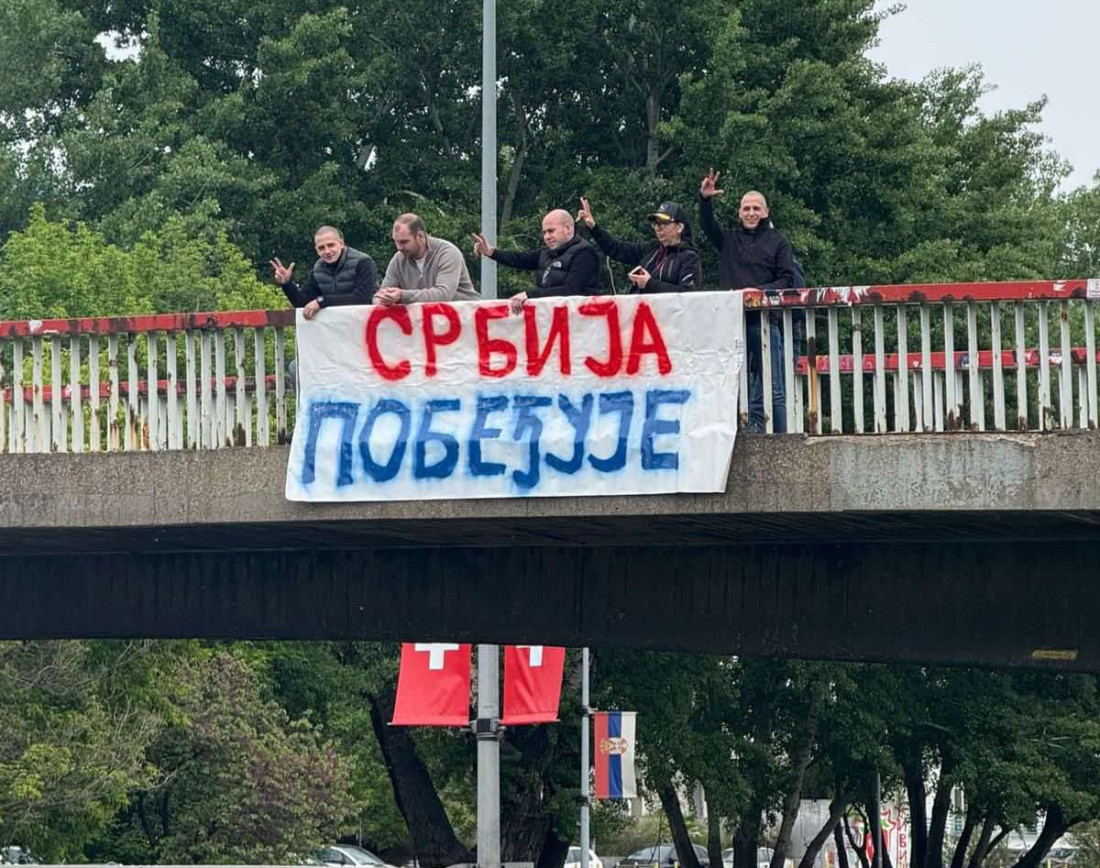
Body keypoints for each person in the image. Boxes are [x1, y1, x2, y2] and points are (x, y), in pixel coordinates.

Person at [699, 170, 794, 432]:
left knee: (773, 388)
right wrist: (705, 200)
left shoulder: (779, 242)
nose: (751, 213)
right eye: (746, 208)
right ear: (739, 213)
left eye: (756, 208)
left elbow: (787, 279)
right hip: (730, 325)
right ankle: (734, 438)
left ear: (766, 212)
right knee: (730, 385)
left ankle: (780, 441)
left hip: (764, 323)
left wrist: (758, 292)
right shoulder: (728, 240)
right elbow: (708, 227)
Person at [471, 209, 601, 312]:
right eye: (544, 232)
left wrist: (529, 295)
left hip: (579, 323)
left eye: (551, 231)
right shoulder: (546, 253)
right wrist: (492, 253)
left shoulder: (585, 253)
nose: (547, 237)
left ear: (568, 229)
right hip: (551, 318)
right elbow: (520, 259)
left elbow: (572, 290)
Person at [577, 198, 701, 293]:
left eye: (663, 223)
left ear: (679, 227)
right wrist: (593, 227)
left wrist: (649, 284)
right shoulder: (651, 248)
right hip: (639, 315)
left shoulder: (689, 257)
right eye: (655, 223)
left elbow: (689, 295)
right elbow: (616, 248)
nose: (657, 228)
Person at [270, 226, 376, 320]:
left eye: (331, 245)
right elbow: (303, 303)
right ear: (316, 250)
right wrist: (287, 284)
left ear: (341, 243)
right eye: (321, 248)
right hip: (335, 326)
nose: (327, 251)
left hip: (365, 323)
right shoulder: (318, 269)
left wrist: (322, 301)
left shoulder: (363, 262)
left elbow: (362, 298)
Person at [374, 213, 480, 306]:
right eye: (396, 241)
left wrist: (402, 295)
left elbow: (443, 295)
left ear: (420, 235)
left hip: (467, 318)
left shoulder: (447, 253)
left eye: (404, 242)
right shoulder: (398, 259)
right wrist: (383, 300)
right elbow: (379, 296)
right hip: (428, 320)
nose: (399, 247)